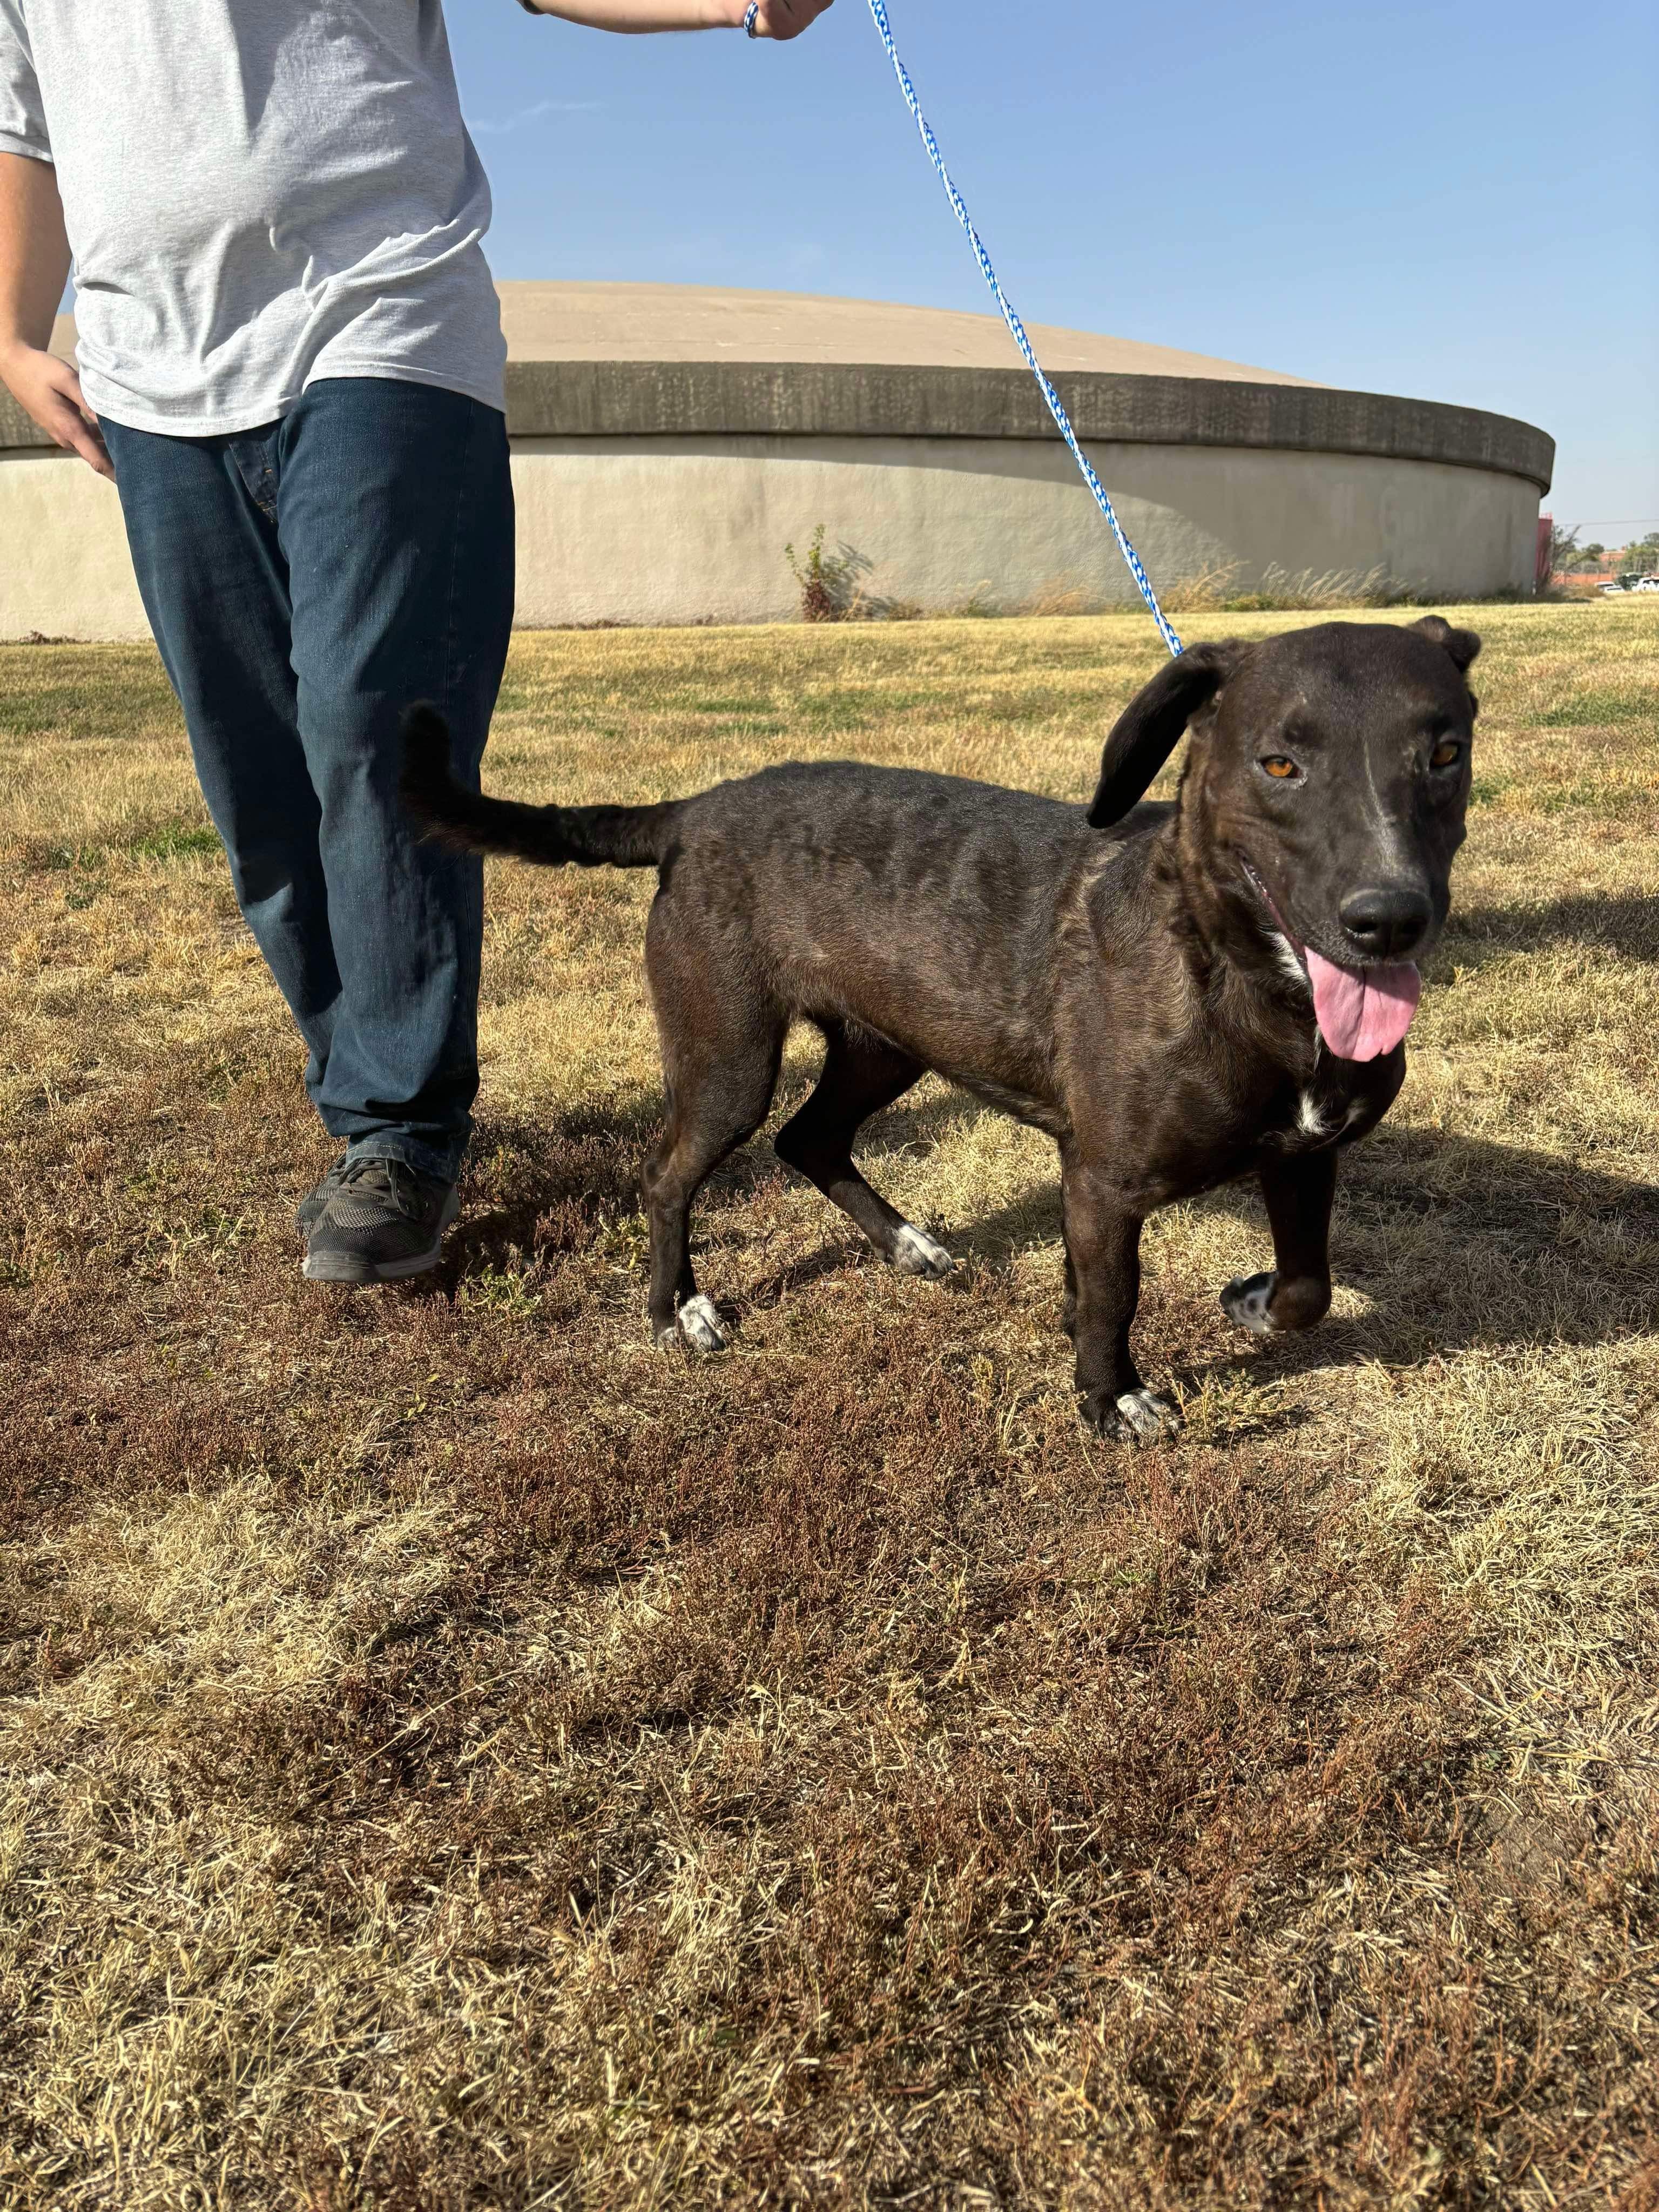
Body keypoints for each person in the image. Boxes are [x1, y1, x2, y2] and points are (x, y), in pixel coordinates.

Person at [0, 0, 832, 1284]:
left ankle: (402, 1125)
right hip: (148, 373)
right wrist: (11, 328)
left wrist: (735, 0)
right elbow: (27, 121)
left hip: (377, 318)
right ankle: (364, 1094)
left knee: (367, 723)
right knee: (257, 776)